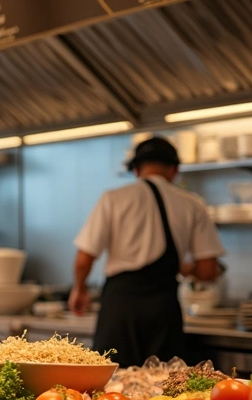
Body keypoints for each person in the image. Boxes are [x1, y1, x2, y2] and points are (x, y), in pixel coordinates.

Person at [68, 138, 224, 366]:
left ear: (137, 169)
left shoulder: (113, 199)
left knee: (110, 384)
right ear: (174, 171)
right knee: (162, 386)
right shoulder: (192, 204)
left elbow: (84, 258)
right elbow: (208, 270)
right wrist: (184, 268)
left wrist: (80, 289)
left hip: (120, 307)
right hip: (164, 309)